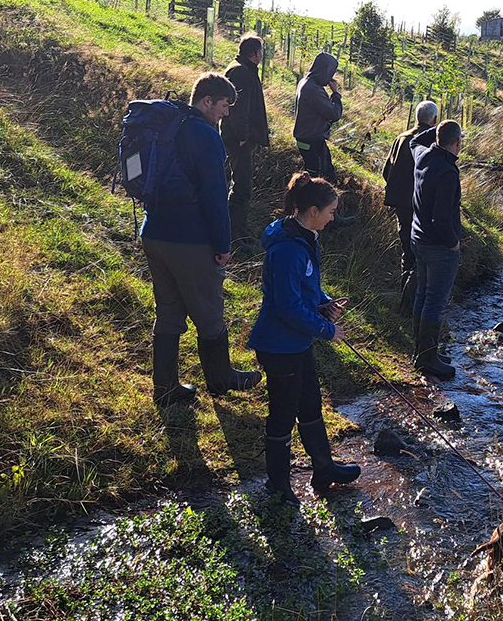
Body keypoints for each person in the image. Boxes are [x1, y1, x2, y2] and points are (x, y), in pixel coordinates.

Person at [140, 73, 261, 406]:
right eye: (224, 106)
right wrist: (224, 245)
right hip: (189, 240)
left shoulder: (168, 127)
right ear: (207, 100)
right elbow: (215, 197)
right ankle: (222, 380)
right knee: (209, 312)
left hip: (154, 234)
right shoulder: (205, 137)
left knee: (168, 312)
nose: (226, 114)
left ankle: (165, 389)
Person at [248, 172, 361, 505]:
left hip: (297, 343)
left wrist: (324, 303)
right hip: (278, 346)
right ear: (313, 210)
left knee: (310, 405)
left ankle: (323, 468)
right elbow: (287, 305)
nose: (332, 219)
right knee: (282, 413)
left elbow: (305, 289)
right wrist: (327, 329)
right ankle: (278, 484)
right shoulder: (286, 249)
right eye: (330, 213)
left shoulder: (307, 236)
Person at [410, 119, 464, 380]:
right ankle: (428, 359)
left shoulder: (422, 154)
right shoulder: (448, 173)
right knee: (434, 300)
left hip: (418, 240)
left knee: (423, 294)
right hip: (439, 247)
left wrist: (439, 129)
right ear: (457, 143)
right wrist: (453, 242)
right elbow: (441, 218)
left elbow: (414, 140)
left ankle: (422, 351)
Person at [383, 100, 439, 314]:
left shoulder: (401, 138)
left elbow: (386, 171)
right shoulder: (434, 142)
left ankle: (405, 301)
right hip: (422, 206)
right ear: (434, 120)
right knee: (423, 255)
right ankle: (416, 306)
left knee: (407, 250)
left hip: (402, 205)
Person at [221, 34, 269, 249]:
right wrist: (242, 136)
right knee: (242, 187)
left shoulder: (242, 69)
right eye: (261, 50)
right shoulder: (241, 72)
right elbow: (237, 108)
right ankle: (235, 236)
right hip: (239, 139)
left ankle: (236, 232)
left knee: (239, 184)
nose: (262, 55)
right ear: (254, 53)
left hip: (240, 137)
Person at [293, 52, 343, 181]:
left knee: (315, 173)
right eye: (331, 73)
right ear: (325, 71)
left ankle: (306, 199)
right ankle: (311, 201)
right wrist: (336, 94)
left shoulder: (305, 82)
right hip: (313, 141)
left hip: (307, 138)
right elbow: (334, 114)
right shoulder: (314, 90)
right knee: (320, 179)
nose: (331, 77)